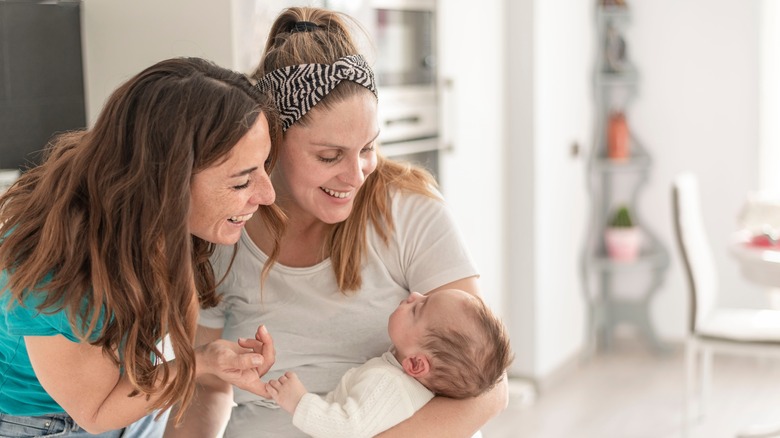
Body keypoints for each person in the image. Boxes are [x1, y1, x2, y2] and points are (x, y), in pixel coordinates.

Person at [167, 7, 509, 438]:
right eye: (329, 156)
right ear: (271, 139)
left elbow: (489, 388)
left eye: (368, 147)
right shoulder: (224, 227)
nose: (356, 175)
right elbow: (209, 386)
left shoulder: (408, 211)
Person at [0, 57, 280, 438]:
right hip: (50, 422)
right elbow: (97, 411)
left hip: (127, 391)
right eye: (241, 183)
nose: (267, 195)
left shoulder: (144, 208)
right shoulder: (64, 268)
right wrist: (202, 363)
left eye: (264, 167)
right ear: (168, 181)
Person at [265, 288, 514, 438]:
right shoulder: (411, 386)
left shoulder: (388, 384)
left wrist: (298, 401)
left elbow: (346, 430)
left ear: (416, 364)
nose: (414, 295)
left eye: (418, 309)